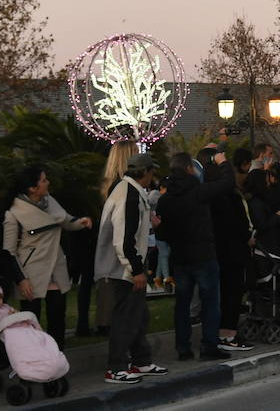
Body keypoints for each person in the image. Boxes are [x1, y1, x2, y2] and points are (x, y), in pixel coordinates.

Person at [155, 151, 235, 362]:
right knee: (210, 302)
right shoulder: (199, 192)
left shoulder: (165, 200)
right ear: (189, 168)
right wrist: (223, 163)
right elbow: (227, 184)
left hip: (180, 257)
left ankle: (183, 347)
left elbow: (162, 233)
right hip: (203, 254)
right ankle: (209, 345)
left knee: (182, 303)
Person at [1, 165, 92, 350]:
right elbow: (8, 252)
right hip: (31, 274)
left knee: (58, 318)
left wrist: (81, 222)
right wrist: (21, 280)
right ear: (32, 188)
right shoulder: (14, 214)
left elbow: (66, 221)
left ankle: (57, 361)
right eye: (43, 180)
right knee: (31, 322)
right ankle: (33, 363)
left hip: (56, 270)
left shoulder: (50, 201)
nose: (47, 182)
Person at [95, 151, 166, 384]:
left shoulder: (127, 191)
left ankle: (141, 360)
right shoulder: (129, 195)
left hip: (123, 265)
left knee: (138, 315)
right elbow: (123, 239)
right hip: (121, 269)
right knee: (125, 318)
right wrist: (136, 270)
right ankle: (116, 367)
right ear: (144, 173)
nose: (152, 177)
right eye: (151, 172)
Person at [0, 282, 70, 383]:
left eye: (0, 297)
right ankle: (32, 365)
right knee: (23, 345)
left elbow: (16, 315)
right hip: (9, 331)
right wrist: (8, 317)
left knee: (38, 339)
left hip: (22, 328)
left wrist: (15, 314)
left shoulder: (6, 307)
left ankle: (49, 361)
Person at [207, 147, 254, 352]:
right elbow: (242, 227)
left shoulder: (208, 196)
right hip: (233, 251)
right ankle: (228, 334)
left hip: (216, 251)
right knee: (232, 294)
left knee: (220, 294)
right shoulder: (231, 198)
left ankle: (218, 332)